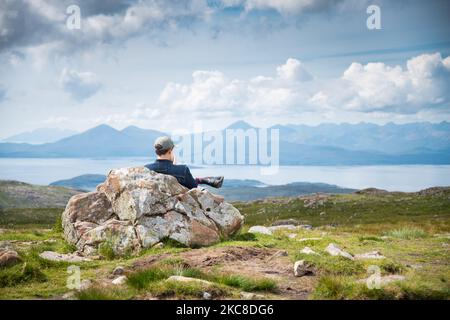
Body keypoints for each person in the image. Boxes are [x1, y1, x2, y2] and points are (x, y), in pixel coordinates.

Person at [145, 136, 224, 189]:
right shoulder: (183, 170)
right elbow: (194, 188)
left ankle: (204, 180)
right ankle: (204, 180)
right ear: (170, 151)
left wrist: (172, 166)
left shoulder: (146, 169)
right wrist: (174, 166)